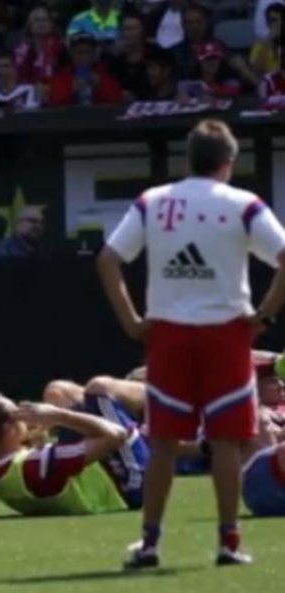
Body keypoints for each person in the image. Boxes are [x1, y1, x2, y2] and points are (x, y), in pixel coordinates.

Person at [97, 119, 285, 568]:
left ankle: (150, 543)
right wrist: (264, 316)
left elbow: (108, 259)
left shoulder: (154, 203)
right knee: (225, 441)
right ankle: (228, 542)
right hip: (227, 332)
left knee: (162, 441)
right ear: (229, 163)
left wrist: (131, 321)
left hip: (169, 333)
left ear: (189, 160)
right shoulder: (244, 205)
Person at [0, 382, 147, 517]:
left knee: (56, 391)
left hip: (102, 474)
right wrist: (58, 415)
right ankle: (161, 397)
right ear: (8, 429)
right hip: (128, 484)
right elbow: (116, 435)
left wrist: (34, 438)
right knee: (99, 387)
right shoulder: (39, 464)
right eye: (18, 414)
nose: (25, 416)